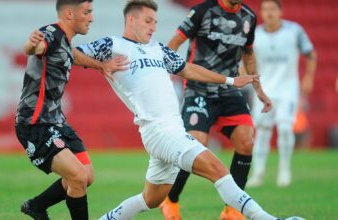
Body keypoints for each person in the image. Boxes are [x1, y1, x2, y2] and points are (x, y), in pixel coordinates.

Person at [77, 1, 303, 220]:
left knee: (151, 199)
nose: (153, 27)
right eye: (148, 21)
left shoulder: (158, 49)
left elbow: (189, 69)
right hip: (159, 130)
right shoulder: (112, 45)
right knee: (218, 169)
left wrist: (231, 80)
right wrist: (100, 65)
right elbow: (70, 51)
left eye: (155, 21)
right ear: (131, 19)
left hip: (171, 129)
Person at [159, 0, 273, 219]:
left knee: (246, 141)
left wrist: (259, 89)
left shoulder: (249, 16)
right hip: (198, 88)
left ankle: (233, 209)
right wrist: (162, 76)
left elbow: (248, 54)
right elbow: (173, 43)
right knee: (194, 144)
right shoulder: (202, 11)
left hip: (229, 91)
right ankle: (170, 199)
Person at [15, 0, 128, 219]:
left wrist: (102, 66)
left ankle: (36, 206)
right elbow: (35, 48)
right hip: (34, 123)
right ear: (69, 13)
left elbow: (73, 55)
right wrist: (30, 44)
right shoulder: (49, 34)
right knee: (77, 177)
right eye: (87, 12)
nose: (91, 18)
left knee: (86, 175)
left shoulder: (64, 41)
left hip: (56, 121)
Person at [247, 0, 317, 188]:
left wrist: (308, 77)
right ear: (261, 12)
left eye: (273, 9)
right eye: (265, 9)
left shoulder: (294, 31)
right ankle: (258, 173)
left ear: (280, 11)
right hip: (264, 90)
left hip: (288, 89)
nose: (269, 13)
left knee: (285, 128)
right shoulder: (255, 34)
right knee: (261, 132)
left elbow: (311, 54)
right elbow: (246, 58)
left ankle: (284, 169)